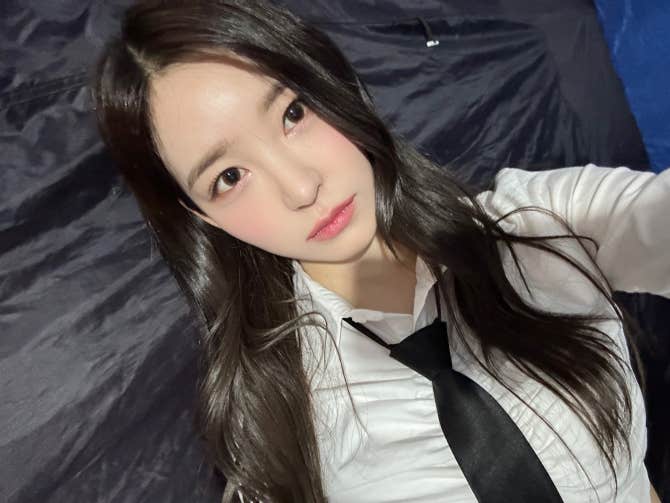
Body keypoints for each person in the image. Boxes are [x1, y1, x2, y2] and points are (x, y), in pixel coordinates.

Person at [92, 1, 669, 501]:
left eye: (293, 113)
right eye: (229, 177)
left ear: (333, 88)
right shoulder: (272, 416)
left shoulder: (541, 224)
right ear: (202, 216)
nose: (301, 187)